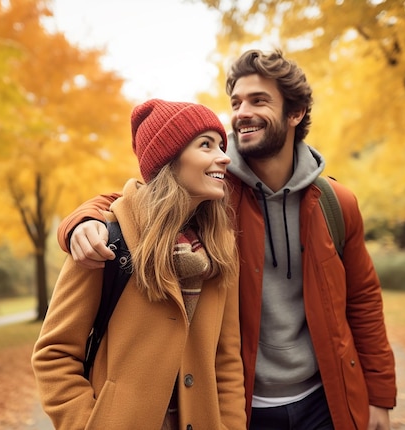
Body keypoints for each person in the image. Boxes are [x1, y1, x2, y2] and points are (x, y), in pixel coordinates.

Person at [56, 49, 397, 429]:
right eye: (235, 102)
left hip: (323, 400)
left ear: (295, 113)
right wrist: (80, 221)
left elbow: (364, 300)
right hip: (247, 407)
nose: (241, 112)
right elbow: (143, 197)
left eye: (259, 100)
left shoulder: (335, 203)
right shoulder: (214, 195)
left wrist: (380, 396)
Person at [32, 99, 246, 429]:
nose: (224, 156)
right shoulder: (105, 240)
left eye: (220, 145)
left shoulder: (221, 250)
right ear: (169, 159)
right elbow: (54, 354)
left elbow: (226, 361)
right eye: (206, 145)